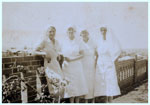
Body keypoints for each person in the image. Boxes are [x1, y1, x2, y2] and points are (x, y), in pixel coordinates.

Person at [94, 25, 121, 103]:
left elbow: (118, 50)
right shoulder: (98, 41)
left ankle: (110, 101)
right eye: (101, 30)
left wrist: (112, 59)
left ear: (107, 31)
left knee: (110, 81)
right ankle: (106, 101)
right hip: (100, 64)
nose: (103, 32)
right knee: (103, 82)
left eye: (104, 30)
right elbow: (96, 52)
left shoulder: (111, 41)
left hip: (108, 63)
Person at [35, 26, 64, 95]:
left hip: (56, 64)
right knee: (53, 86)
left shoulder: (56, 42)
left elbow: (58, 51)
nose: (52, 33)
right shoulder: (44, 41)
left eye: (53, 31)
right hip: (49, 65)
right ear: (47, 32)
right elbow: (35, 51)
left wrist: (58, 55)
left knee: (61, 84)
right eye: (50, 31)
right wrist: (44, 54)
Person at [61, 27, 88, 103]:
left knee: (77, 85)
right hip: (67, 67)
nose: (70, 33)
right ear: (67, 33)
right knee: (70, 86)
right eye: (69, 31)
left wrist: (72, 59)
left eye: (72, 31)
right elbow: (60, 53)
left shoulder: (79, 42)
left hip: (76, 66)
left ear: (74, 32)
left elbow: (83, 55)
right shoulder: (63, 42)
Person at [80, 30, 96, 103]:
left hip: (91, 64)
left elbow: (96, 54)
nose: (84, 35)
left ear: (88, 34)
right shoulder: (80, 43)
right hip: (83, 64)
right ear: (81, 35)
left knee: (92, 82)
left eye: (85, 33)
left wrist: (95, 63)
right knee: (85, 82)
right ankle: (86, 101)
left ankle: (93, 100)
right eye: (83, 33)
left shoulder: (92, 42)